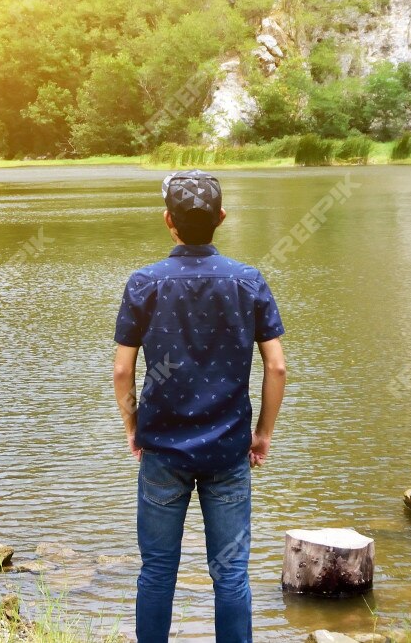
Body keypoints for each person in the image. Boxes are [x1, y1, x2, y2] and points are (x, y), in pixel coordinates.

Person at [112, 170, 286, 643]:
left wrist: (133, 427)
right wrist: (263, 434)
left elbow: (122, 372)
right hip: (229, 451)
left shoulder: (144, 283)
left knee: (158, 570)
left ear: (168, 220)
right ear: (221, 218)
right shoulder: (247, 281)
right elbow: (276, 368)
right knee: (230, 573)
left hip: (163, 450)